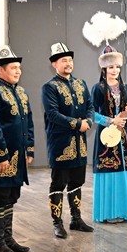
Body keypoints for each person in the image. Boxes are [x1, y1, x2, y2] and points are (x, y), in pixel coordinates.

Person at [0, 45, 35, 252]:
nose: (18, 71)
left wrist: (29, 149)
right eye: (13, 67)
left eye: (19, 67)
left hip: (18, 157)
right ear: (0, 70)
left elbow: (29, 122)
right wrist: (0, 155)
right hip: (1, 158)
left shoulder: (21, 92)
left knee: (11, 196)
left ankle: (9, 238)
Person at [42, 42, 95, 237]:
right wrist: (77, 124)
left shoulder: (81, 83)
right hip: (60, 143)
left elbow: (90, 106)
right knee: (58, 183)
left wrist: (89, 120)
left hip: (80, 144)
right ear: (54, 64)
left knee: (77, 181)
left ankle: (76, 220)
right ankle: (57, 223)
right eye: (64, 60)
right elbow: (53, 114)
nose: (68, 63)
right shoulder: (49, 87)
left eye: (70, 60)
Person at [91, 44, 127, 223]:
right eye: (111, 67)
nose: (114, 70)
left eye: (117, 66)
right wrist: (111, 121)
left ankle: (125, 211)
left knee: (123, 171)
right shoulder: (98, 88)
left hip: (123, 137)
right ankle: (107, 213)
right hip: (106, 136)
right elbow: (91, 114)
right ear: (104, 68)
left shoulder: (126, 88)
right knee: (108, 170)